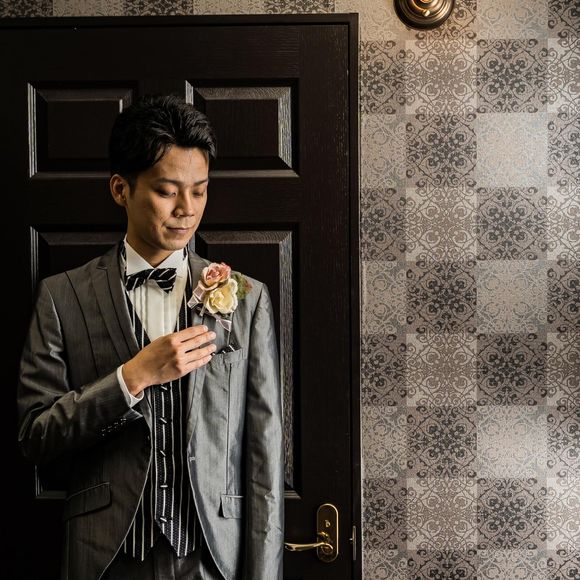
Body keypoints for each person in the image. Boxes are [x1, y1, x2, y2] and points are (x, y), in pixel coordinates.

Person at [16, 94, 284, 580]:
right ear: (121, 189)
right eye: (167, 191)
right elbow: (37, 436)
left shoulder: (246, 298)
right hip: (105, 559)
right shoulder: (61, 296)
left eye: (199, 192)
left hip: (211, 560)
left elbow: (265, 457)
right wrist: (130, 378)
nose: (187, 210)